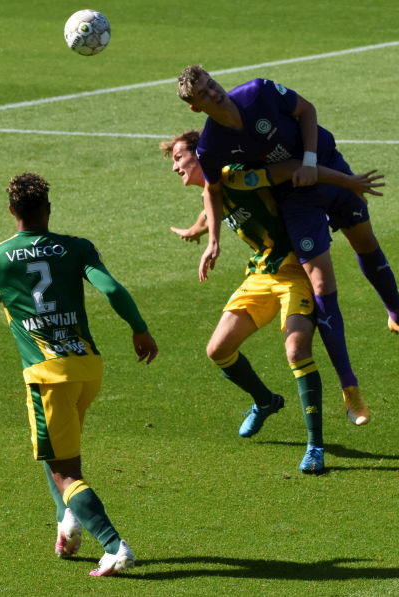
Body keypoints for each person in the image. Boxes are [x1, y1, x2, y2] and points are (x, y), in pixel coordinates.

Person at [176, 65, 399, 373]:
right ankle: (348, 385)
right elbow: (214, 192)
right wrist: (212, 240)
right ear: (195, 106)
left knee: (365, 241)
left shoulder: (258, 92)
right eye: (203, 93)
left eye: (211, 84)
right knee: (323, 282)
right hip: (293, 194)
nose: (213, 93)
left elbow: (307, 110)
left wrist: (318, 165)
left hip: (322, 163)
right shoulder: (212, 147)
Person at [0, 172, 158, 577]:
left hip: (47, 373)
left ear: (11, 211)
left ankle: (114, 547)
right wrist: (139, 328)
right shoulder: (76, 247)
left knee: (64, 469)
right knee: (59, 449)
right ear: (48, 210)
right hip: (88, 367)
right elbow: (111, 289)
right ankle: (68, 520)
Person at [161, 131, 382, 473]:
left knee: (297, 351)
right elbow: (211, 208)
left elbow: (291, 168)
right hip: (261, 273)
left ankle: (315, 447)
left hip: (296, 270)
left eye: (178, 157)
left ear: (199, 154)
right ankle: (265, 401)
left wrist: (349, 182)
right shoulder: (215, 189)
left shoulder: (234, 174)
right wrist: (197, 231)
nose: (175, 167)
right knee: (217, 350)